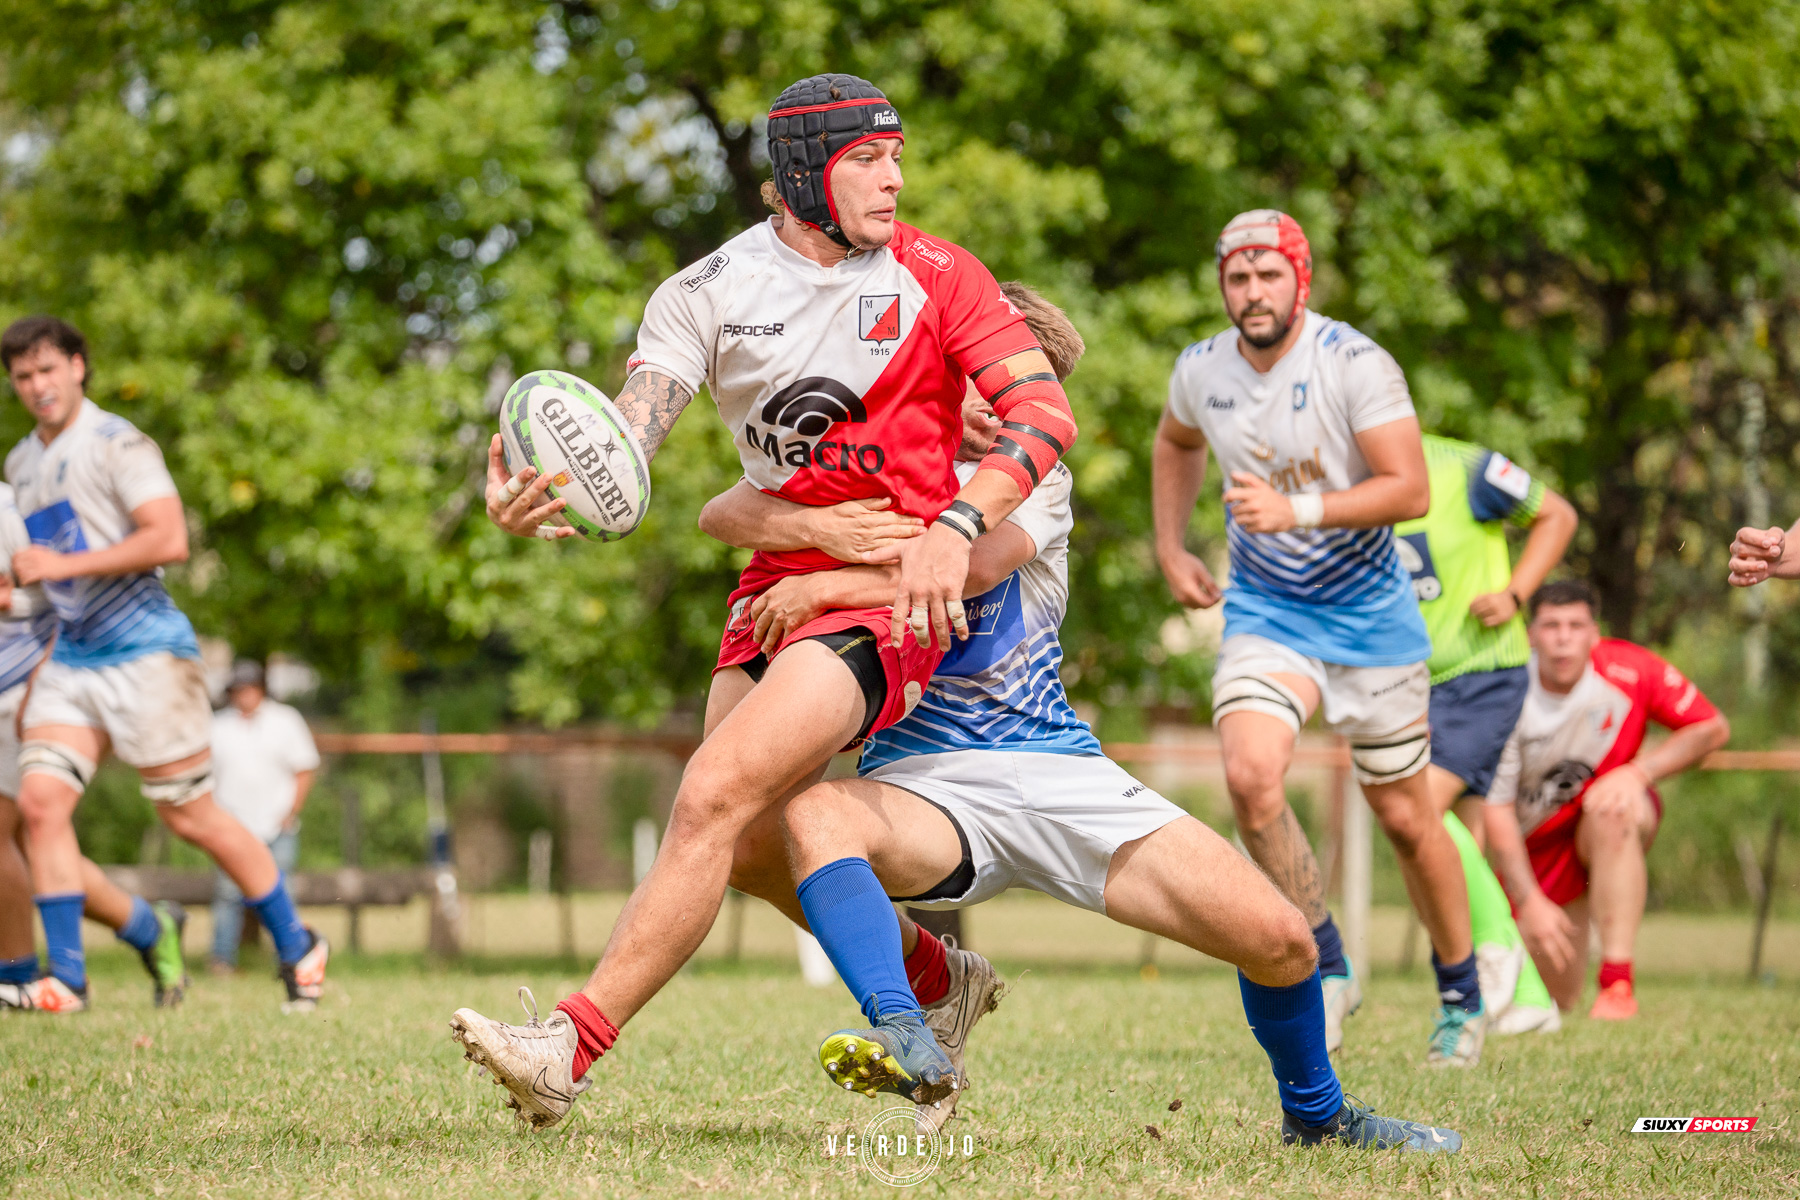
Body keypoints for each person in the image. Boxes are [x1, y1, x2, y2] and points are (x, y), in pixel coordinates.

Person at [451, 73, 1081, 1128]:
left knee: (710, 794)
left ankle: (569, 1045)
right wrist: (539, 484)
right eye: (868, 158)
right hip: (772, 584)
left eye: (898, 156)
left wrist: (957, 528)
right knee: (742, 841)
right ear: (801, 173)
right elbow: (629, 442)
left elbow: (1043, 413)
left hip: (893, 584)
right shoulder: (704, 291)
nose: (894, 177)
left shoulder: (939, 273)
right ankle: (938, 977)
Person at [707, 284, 1461, 1152]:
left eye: (1015, 389)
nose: (992, 403)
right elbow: (725, 509)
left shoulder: (1042, 481)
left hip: (1057, 769)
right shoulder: (881, 466)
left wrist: (824, 581)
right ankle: (907, 1030)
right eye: (976, 377)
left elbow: (976, 568)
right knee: (813, 813)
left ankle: (1319, 1118)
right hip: (927, 786)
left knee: (1284, 941)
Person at [1151, 210, 1484, 1065]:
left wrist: (1296, 509)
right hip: (1268, 611)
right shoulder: (1201, 368)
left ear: (1302, 279)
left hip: (1372, 620)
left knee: (1408, 820)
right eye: (1237, 278)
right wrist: (1169, 543)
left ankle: (1463, 997)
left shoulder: (1354, 362)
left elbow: (1409, 489)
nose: (1253, 293)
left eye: (1269, 276)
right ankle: (1330, 962)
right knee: (1251, 777)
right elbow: (1176, 440)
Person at [1, 316, 327, 1012]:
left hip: (147, 652)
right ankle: (69, 979)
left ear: (78, 367)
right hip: (74, 657)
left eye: (48, 370)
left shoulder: (117, 441)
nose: (37, 386)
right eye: (23, 376)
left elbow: (170, 537)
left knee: (191, 817)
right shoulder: (22, 465)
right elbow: (50, 585)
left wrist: (62, 564)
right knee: (40, 803)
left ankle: (297, 945)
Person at [1394, 434, 1579, 1034]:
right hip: (1404, 682)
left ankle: (1493, 960)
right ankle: (1522, 997)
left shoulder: (1466, 468)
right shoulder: (1338, 480)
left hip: (1480, 676)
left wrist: (1515, 592)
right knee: (1438, 843)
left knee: (1414, 809)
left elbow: (1557, 514)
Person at [1483, 581, 1728, 1018]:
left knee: (1616, 808)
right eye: (1551, 625)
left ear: (1594, 633)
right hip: (1523, 848)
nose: (1563, 637)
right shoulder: (1504, 690)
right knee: (1552, 1003)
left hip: (1590, 833)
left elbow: (1712, 728)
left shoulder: (1630, 671)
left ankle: (1617, 984)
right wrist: (1530, 901)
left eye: (1576, 625)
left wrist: (1638, 773)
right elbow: (1494, 810)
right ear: (1530, 634)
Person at [207, 659, 320, 974]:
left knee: (282, 892)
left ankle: (290, 958)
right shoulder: (217, 726)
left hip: (276, 824)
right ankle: (221, 961)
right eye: (239, 688)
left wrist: (291, 810)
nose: (244, 694)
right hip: (231, 825)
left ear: (261, 689)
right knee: (227, 894)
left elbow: (304, 767)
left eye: (250, 687)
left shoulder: (285, 720)